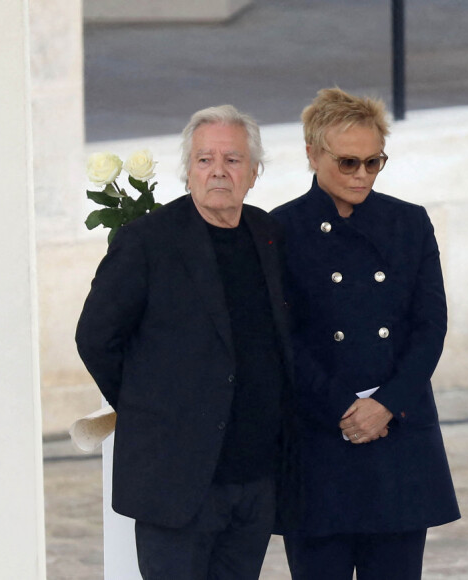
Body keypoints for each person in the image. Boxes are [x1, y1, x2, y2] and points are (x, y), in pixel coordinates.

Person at [76, 104, 295, 579]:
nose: (218, 170)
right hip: (174, 481)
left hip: (254, 480)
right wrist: (149, 406)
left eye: (233, 160)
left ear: (254, 172)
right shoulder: (146, 242)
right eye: (204, 159)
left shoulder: (269, 234)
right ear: (187, 171)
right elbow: (96, 337)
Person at [271, 88, 460, 580]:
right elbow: (281, 339)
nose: (362, 176)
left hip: (396, 439)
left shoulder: (409, 223)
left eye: (374, 163)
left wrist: (386, 404)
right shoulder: (279, 231)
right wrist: (343, 409)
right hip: (319, 441)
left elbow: (429, 327)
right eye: (348, 162)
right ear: (312, 154)